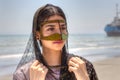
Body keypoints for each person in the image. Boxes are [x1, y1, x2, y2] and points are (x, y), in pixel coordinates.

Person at [13, 4, 98, 80]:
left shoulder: (83, 66)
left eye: (63, 28)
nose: (59, 35)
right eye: (51, 29)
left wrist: (84, 78)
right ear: (37, 34)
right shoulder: (23, 74)